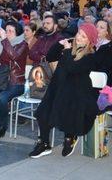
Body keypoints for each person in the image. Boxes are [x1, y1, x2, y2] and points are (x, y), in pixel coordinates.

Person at [29, 23, 100, 158]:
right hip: (58, 87)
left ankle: (69, 137)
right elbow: (50, 57)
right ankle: (44, 143)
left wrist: (67, 50)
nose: (79, 37)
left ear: (89, 41)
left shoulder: (90, 56)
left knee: (67, 112)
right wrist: (59, 45)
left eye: (83, 36)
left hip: (77, 92)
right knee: (43, 113)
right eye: (79, 33)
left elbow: (72, 68)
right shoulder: (69, 47)